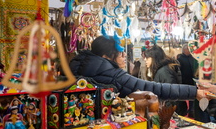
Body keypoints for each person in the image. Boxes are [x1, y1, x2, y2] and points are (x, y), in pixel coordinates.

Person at [69, 36, 205, 102]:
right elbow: (152, 88)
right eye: (121, 54)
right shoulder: (111, 74)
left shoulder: (77, 66)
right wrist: (193, 92)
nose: (124, 57)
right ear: (106, 56)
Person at [144, 45, 187, 116]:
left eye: (147, 58)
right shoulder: (159, 70)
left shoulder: (164, 72)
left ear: (155, 58)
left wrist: (166, 113)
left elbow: (171, 94)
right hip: (166, 110)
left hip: (170, 112)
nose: (145, 60)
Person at [177, 44, 202, 120]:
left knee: (193, 96)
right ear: (184, 50)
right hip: (184, 80)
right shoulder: (180, 58)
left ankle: (191, 110)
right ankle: (183, 110)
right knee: (183, 97)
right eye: (188, 49)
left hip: (192, 80)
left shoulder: (193, 58)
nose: (190, 51)